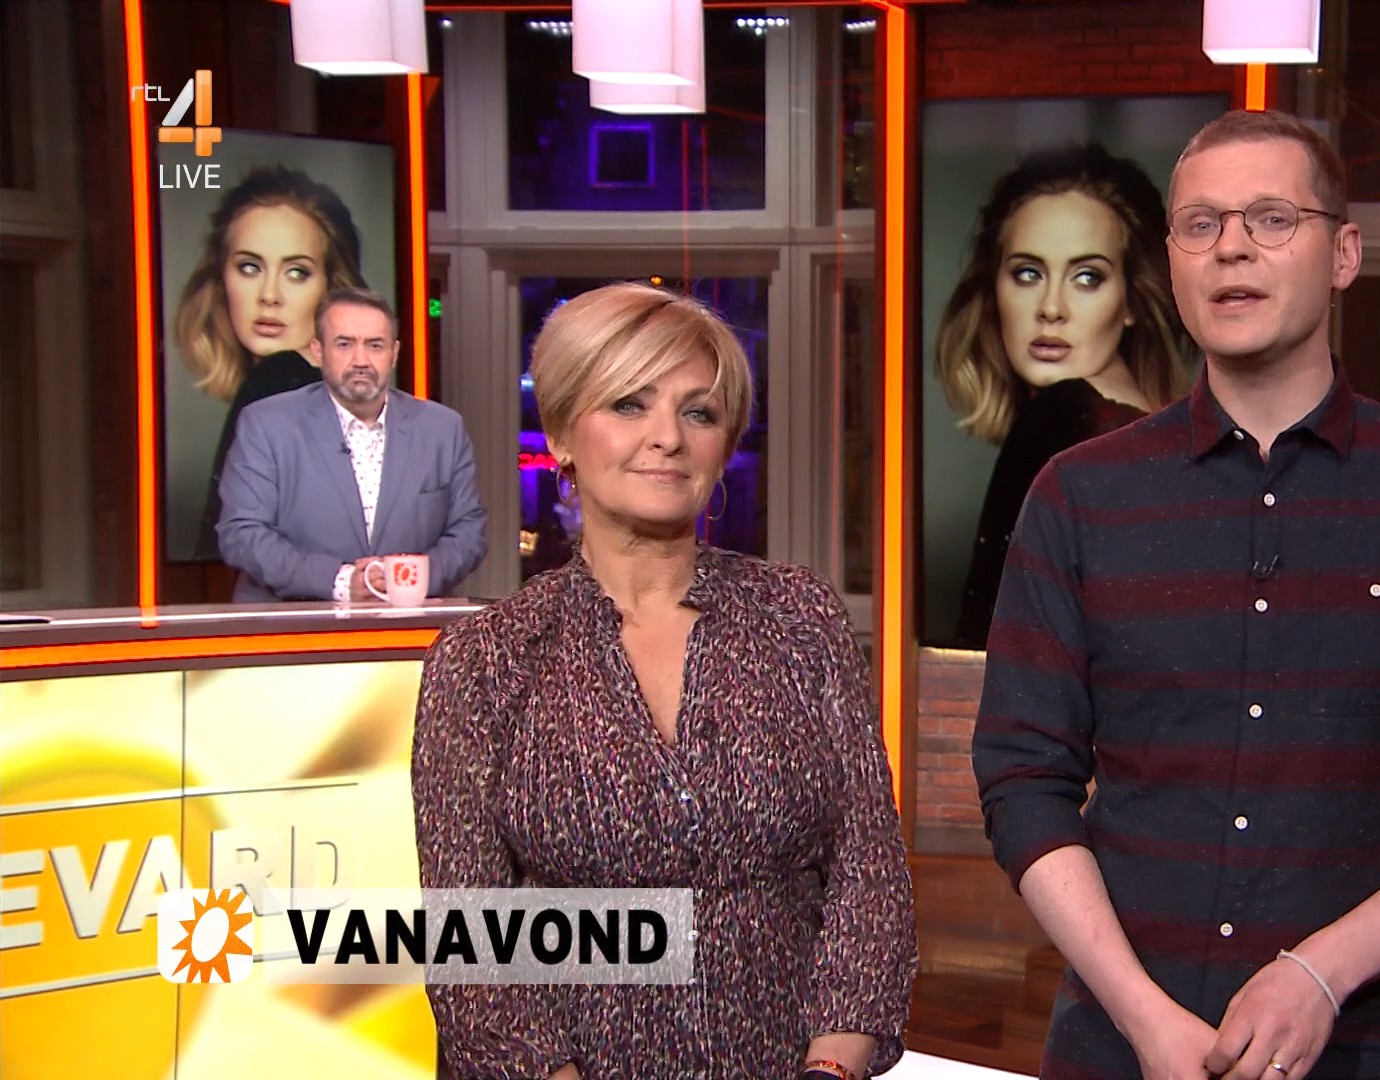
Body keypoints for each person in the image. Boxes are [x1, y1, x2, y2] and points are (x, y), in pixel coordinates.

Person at [971, 109, 1380, 1080]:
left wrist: (1323, 974)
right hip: (1121, 1046)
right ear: (1171, 264)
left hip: (1377, 1053)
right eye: (1201, 224)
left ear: (1344, 254)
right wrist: (1145, 1018)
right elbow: (1022, 780)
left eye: (1271, 218)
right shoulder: (1079, 497)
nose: (1232, 248)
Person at [411, 282, 916, 1079]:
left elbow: (869, 874)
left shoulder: (800, 617)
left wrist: (832, 1068)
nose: (668, 438)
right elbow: (470, 940)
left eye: (698, 412)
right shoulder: (486, 661)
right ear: (561, 434)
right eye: (629, 404)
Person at [935, 143, 1192, 648]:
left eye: (1087, 277)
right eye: (1027, 273)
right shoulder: (1169, 436)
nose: (1051, 307)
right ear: (994, 290)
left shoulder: (1056, 422)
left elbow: (986, 649)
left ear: (1131, 301)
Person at [215, 287, 486, 603]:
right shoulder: (266, 424)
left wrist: (403, 578)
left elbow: (469, 532)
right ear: (318, 351)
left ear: (394, 353)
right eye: (344, 344)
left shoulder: (442, 429)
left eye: (375, 345)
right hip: (292, 623)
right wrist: (340, 581)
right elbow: (241, 532)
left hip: (406, 624)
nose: (361, 361)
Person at [175, 166, 372, 560]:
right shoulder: (333, 393)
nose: (269, 295)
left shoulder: (275, 381)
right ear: (220, 279)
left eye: (297, 272)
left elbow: (233, 547)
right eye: (249, 267)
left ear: (332, 289)